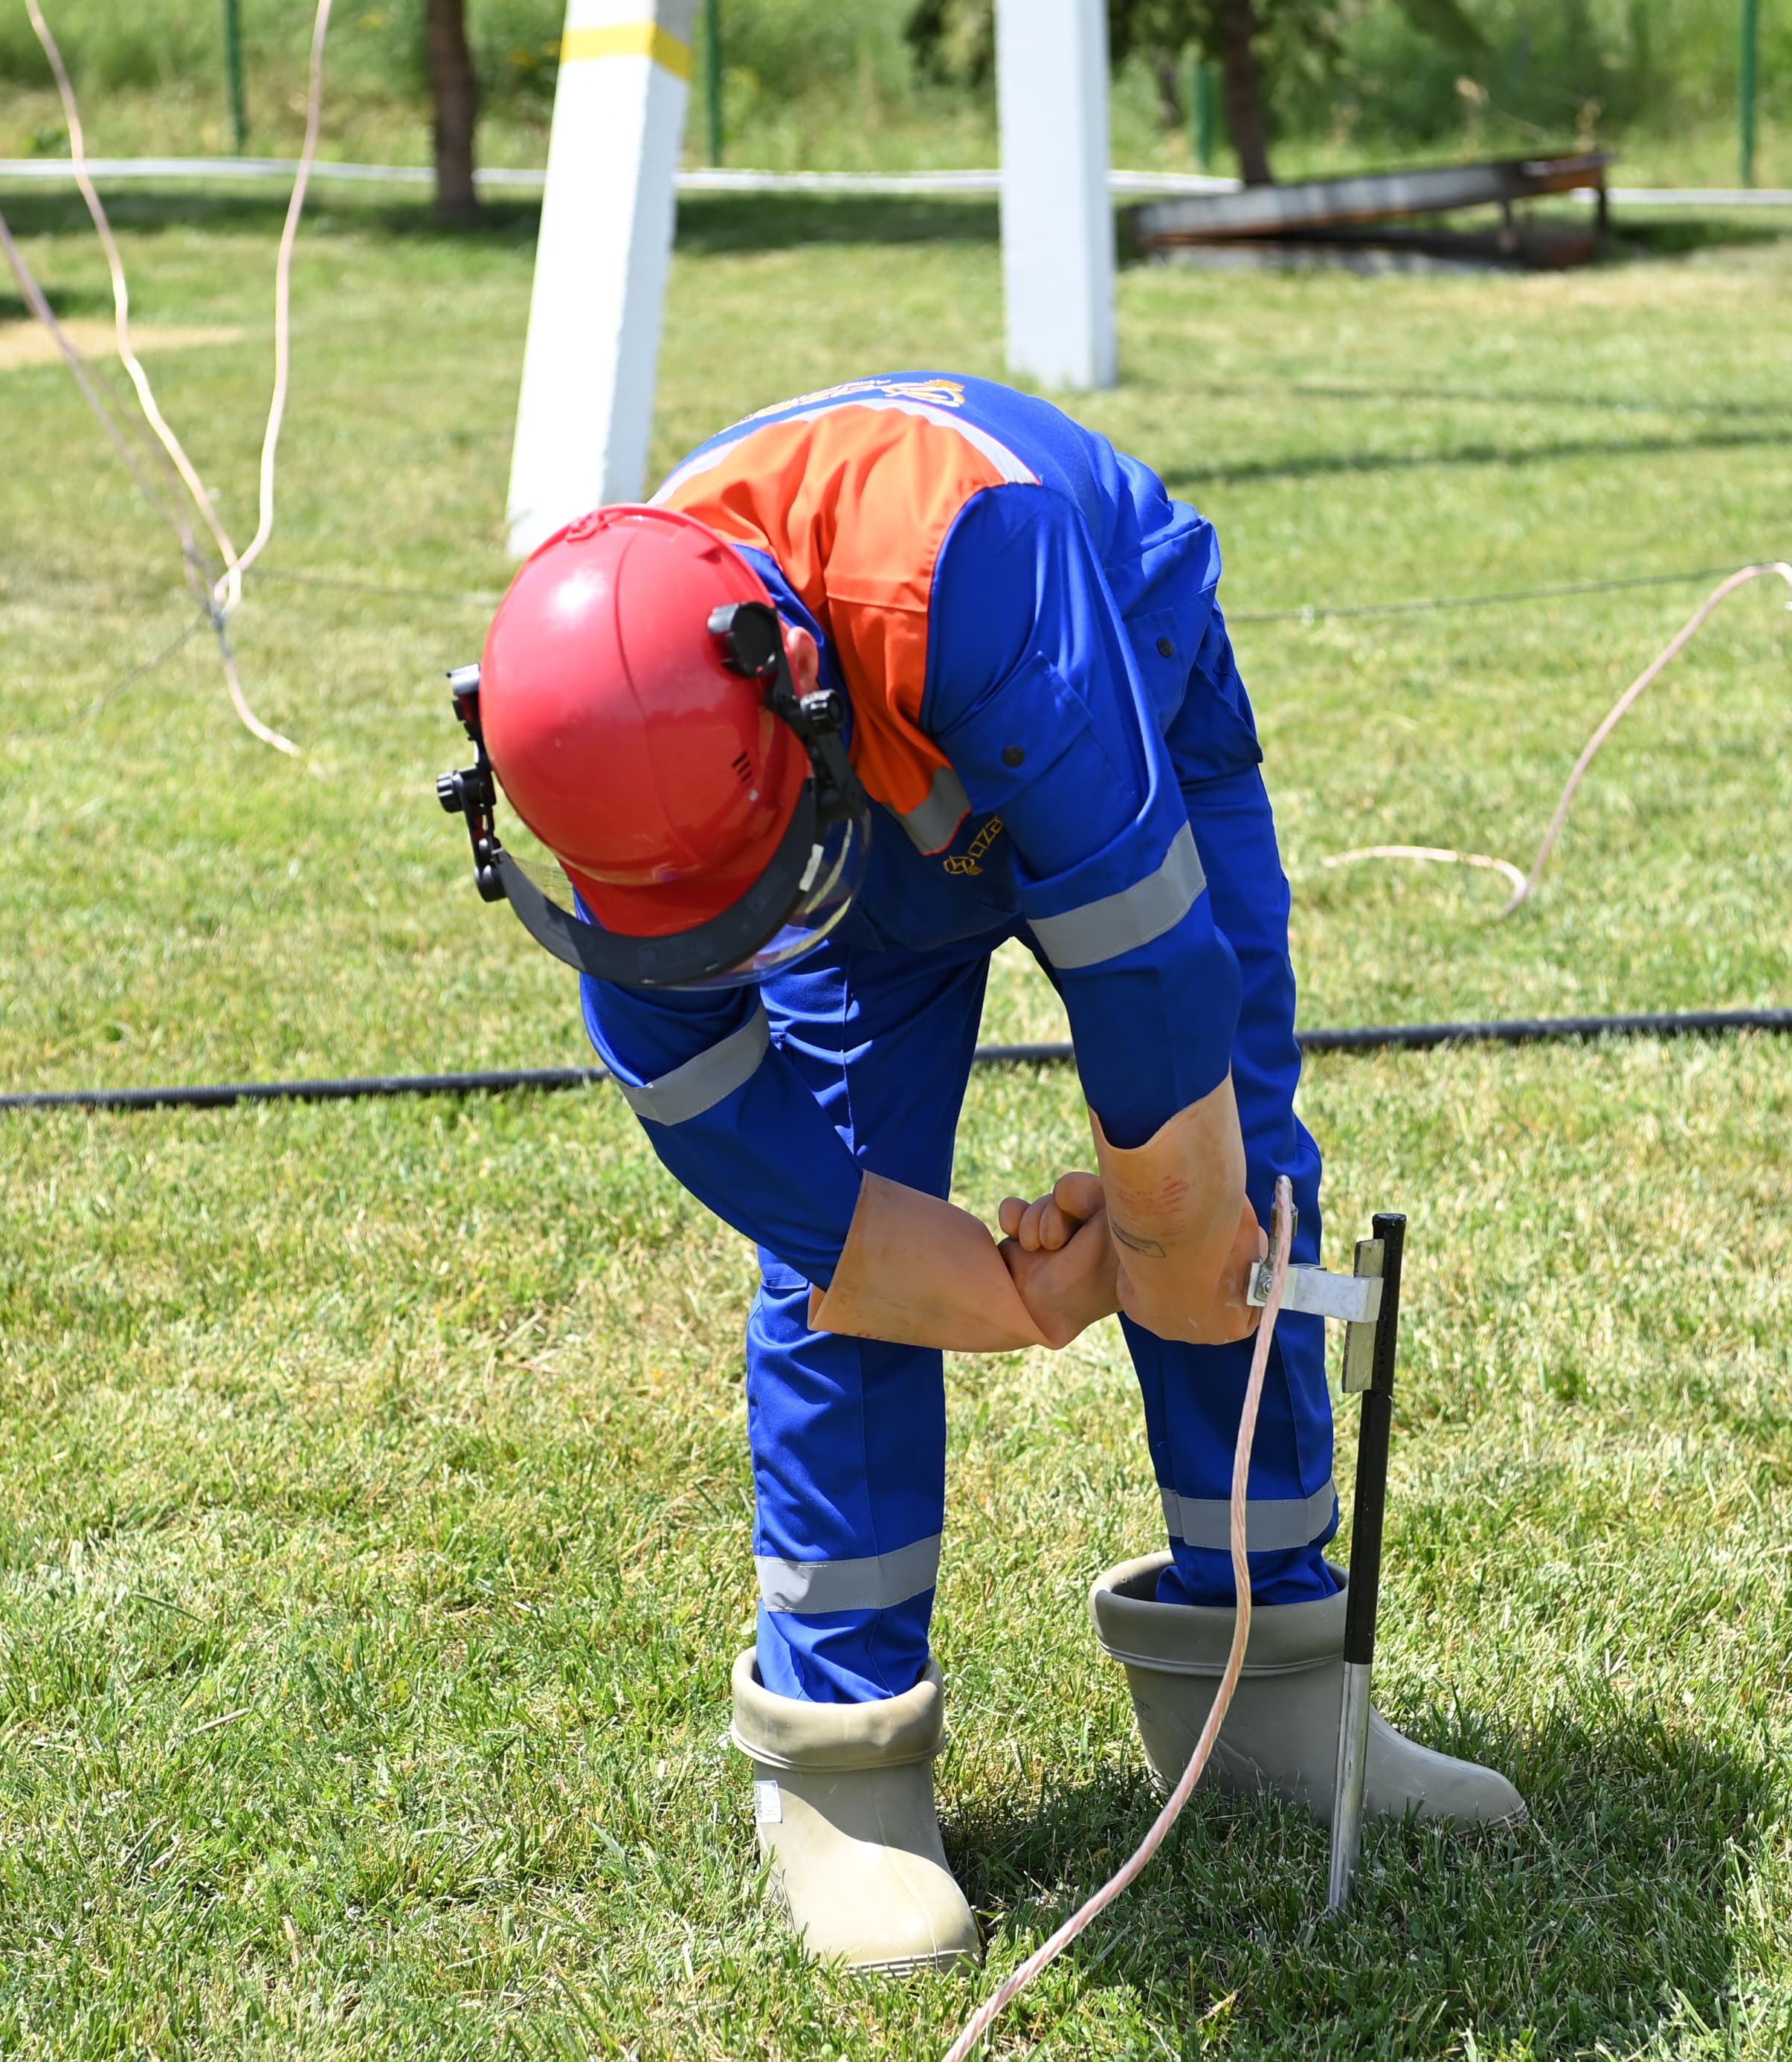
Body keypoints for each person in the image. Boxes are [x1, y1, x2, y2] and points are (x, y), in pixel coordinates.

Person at [444, 372, 1522, 1976]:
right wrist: (1004, 1293)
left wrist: (1162, 1224)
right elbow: (747, 1140)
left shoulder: (977, 570)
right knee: (836, 1265)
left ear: (798, 703)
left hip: (1110, 685)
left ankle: (1267, 1671)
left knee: (1234, 1188)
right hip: (849, 764)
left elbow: (1150, 973)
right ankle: (843, 1755)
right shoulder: (608, 754)